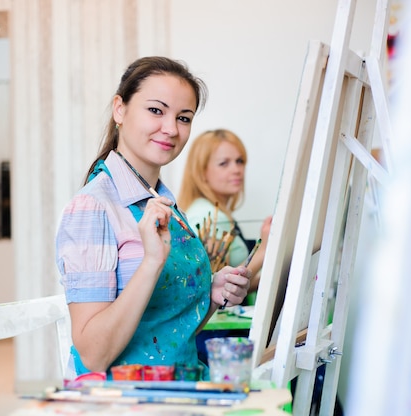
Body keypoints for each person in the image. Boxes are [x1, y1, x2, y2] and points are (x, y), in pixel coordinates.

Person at [55, 57, 252, 380]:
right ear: (120, 109)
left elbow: (168, 329)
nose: (171, 129)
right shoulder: (92, 208)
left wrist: (212, 294)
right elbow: (93, 355)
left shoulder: (166, 205)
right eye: (156, 111)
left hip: (179, 388)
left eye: (184, 118)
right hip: (124, 401)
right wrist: (151, 263)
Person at [177, 129, 272, 293]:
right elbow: (213, 289)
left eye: (240, 161)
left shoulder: (207, 211)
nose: (236, 169)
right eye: (224, 163)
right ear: (202, 172)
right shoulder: (209, 216)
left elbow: (233, 284)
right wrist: (264, 249)